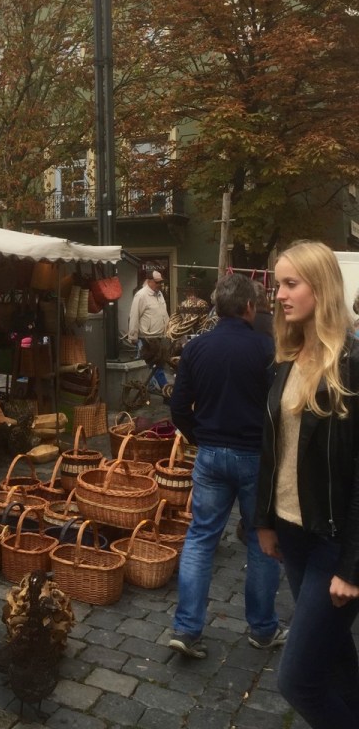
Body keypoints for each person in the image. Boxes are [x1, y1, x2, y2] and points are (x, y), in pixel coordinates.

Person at [255, 241, 359, 728]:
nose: (279, 294)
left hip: (332, 544)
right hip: (292, 535)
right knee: (335, 656)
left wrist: (353, 565)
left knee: (297, 681)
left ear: (321, 288)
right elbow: (271, 451)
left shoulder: (351, 364)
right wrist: (264, 522)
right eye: (278, 284)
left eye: (290, 284)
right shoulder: (285, 360)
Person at [169, 272, 285, 658]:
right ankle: (263, 629)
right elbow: (281, 409)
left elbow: (178, 406)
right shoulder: (268, 348)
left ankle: (186, 630)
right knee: (261, 540)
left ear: (219, 308)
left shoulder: (196, 348)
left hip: (211, 454)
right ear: (250, 307)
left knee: (201, 538)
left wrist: (198, 437)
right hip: (256, 457)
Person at [128, 270, 170, 391]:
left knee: (155, 365)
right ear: (149, 281)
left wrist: (168, 329)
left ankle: (150, 388)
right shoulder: (141, 295)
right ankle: (165, 389)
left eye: (161, 282)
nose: (160, 285)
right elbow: (134, 316)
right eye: (157, 282)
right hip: (147, 338)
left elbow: (164, 314)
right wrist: (133, 336)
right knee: (155, 365)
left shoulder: (159, 294)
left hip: (159, 336)